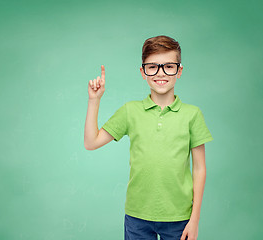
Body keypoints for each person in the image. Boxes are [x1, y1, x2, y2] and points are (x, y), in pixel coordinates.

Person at [84, 35, 213, 240]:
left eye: (168, 66)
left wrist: (195, 219)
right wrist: (94, 101)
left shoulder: (192, 114)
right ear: (143, 72)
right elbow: (91, 143)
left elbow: (200, 169)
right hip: (137, 216)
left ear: (179, 71)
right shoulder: (130, 111)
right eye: (152, 67)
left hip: (179, 217)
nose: (160, 73)